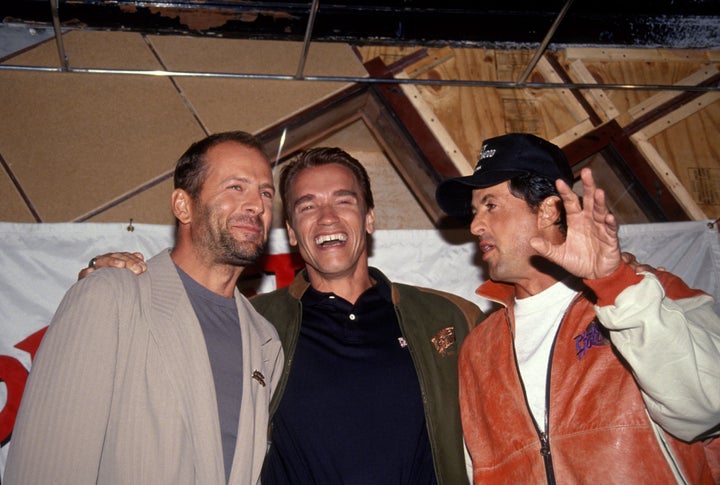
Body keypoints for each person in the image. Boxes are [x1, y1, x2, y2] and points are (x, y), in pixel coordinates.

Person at [77, 147, 485, 484]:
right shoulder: (252, 324)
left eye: (344, 201)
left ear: (370, 218)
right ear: (290, 232)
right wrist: (120, 281)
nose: (327, 218)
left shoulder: (448, 317)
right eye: (308, 207)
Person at [435, 132, 720, 483]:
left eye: (491, 205)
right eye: (475, 210)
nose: (475, 224)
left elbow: (705, 410)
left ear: (548, 210)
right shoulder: (478, 350)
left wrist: (615, 285)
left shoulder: (649, 293)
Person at [4, 131, 284, 484]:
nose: (257, 205)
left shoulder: (265, 341)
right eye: (235, 187)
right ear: (183, 205)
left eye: (266, 192)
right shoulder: (111, 296)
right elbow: (44, 470)